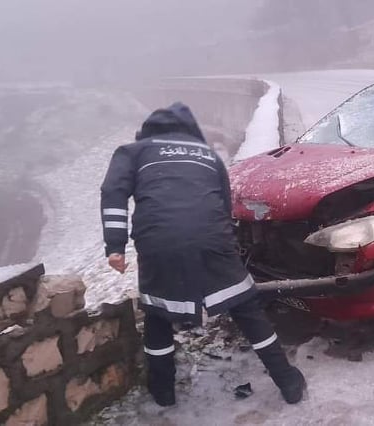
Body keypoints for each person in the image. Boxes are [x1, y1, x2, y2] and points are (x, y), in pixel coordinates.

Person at [100, 102, 306, 406]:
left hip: (159, 241)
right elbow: (224, 205)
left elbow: (112, 193)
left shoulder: (134, 151)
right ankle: (287, 382)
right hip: (213, 238)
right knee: (246, 308)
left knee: (158, 314)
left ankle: (163, 392)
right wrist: (217, 240)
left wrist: (114, 247)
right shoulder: (208, 155)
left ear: (150, 130)